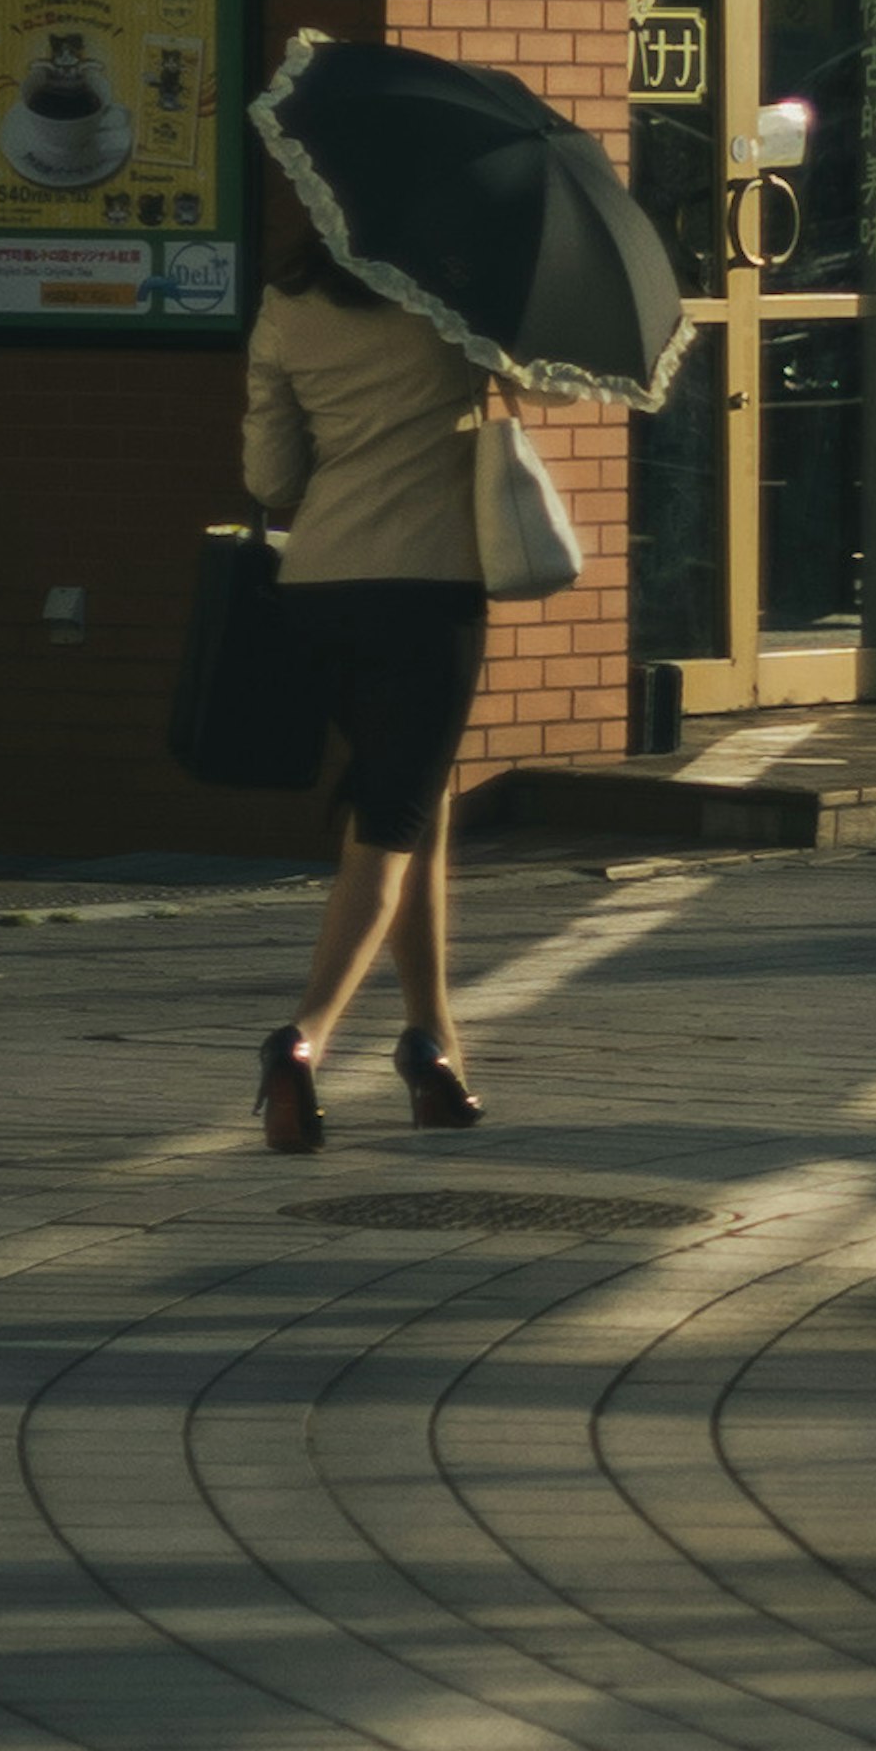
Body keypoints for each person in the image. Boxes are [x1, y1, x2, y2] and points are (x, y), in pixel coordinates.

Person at [241, 216, 497, 1148]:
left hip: (319, 587)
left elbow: (268, 471)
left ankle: (434, 1046)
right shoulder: (453, 309)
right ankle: (301, 1040)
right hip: (430, 593)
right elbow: (548, 388)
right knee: (388, 828)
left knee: (414, 801)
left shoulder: (287, 305)